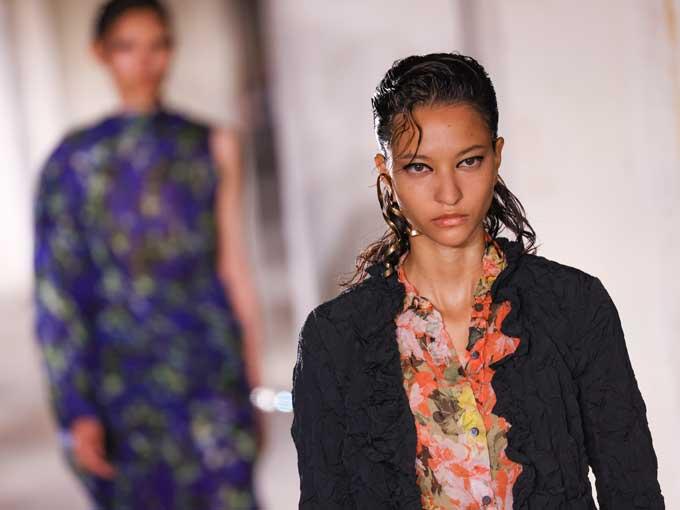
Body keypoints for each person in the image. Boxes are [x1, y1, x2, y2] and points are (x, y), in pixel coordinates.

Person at [290, 53, 664, 509]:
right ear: (385, 171)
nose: (448, 193)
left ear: (497, 155)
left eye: (468, 161)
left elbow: (633, 490)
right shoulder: (335, 339)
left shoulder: (575, 306)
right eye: (419, 167)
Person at [33, 1, 262, 508]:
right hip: (122, 384)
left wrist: (253, 385)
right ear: (100, 53)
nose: (144, 61)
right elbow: (57, 294)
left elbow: (233, 267)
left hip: (210, 370)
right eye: (126, 46)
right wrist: (75, 408)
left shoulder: (212, 144)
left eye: (158, 45)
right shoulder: (72, 162)